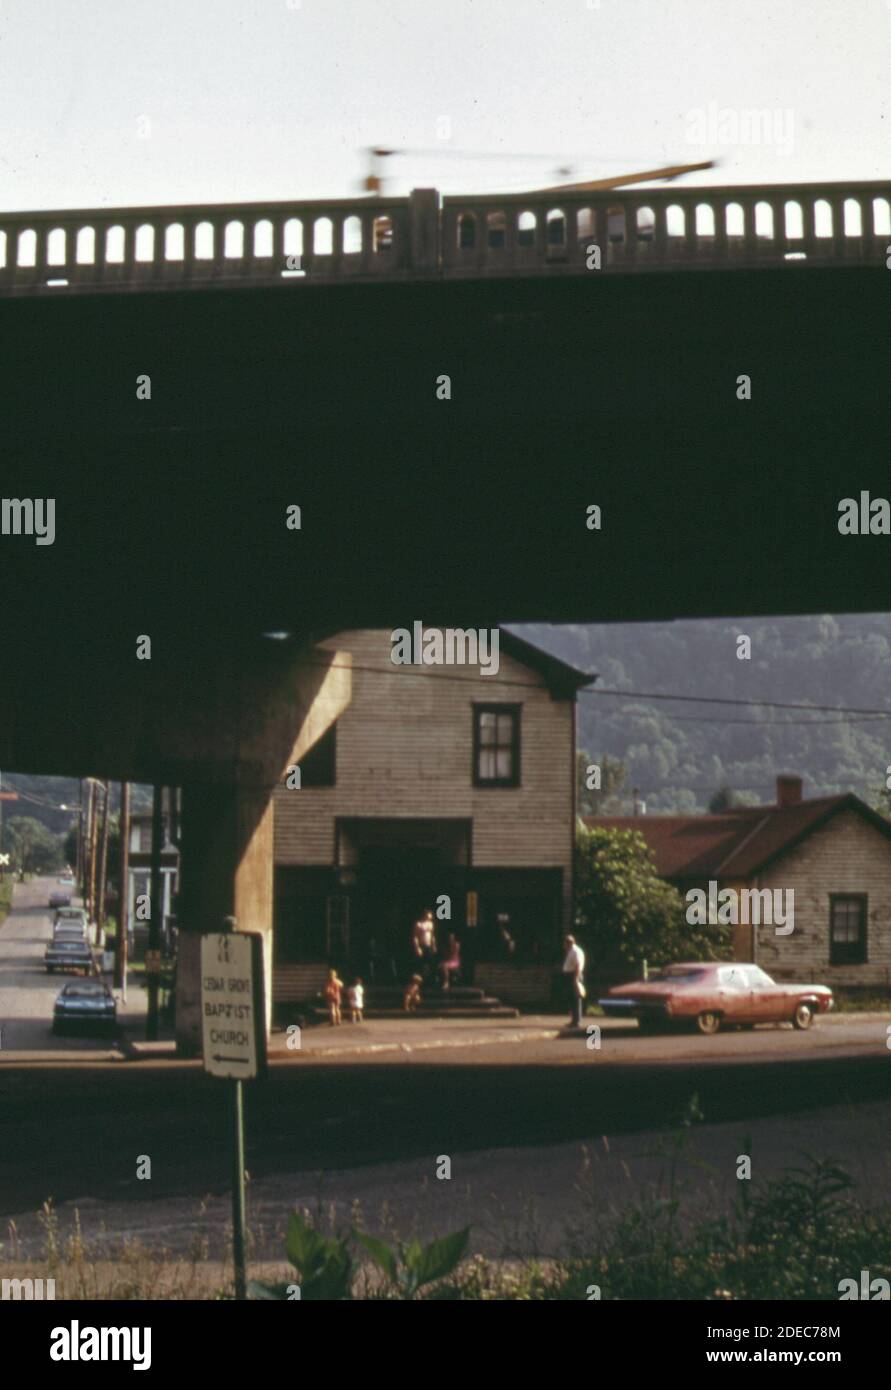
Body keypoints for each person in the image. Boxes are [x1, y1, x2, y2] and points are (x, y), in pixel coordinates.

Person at [562, 934, 586, 1028]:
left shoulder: (576, 951)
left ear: (569, 943)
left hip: (574, 975)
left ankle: (577, 1021)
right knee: (572, 999)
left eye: (565, 943)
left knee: (576, 998)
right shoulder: (571, 951)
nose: (564, 945)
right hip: (571, 975)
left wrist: (575, 979)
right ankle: (574, 1020)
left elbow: (578, 965)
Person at [411, 909, 438, 985]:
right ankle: (418, 981)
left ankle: (432, 980)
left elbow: (432, 936)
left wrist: (434, 945)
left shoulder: (430, 924)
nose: (430, 917)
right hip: (421, 946)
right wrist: (417, 948)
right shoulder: (418, 924)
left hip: (428, 946)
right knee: (420, 964)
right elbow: (415, 937)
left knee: (431, 962)